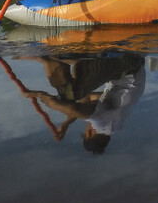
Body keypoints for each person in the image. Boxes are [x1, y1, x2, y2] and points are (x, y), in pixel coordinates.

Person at [13, 51, 146, 153]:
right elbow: (74, 109)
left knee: (74, 94)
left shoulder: (114, 122)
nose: (87, 126)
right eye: (87, 130)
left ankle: (56, 58)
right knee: (68, 96)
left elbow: (87, 99)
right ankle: (46, 58)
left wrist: (66, 124)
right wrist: (38, 94)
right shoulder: (102, 125)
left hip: (130, 67)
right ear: (89, 134)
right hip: (128, 67)